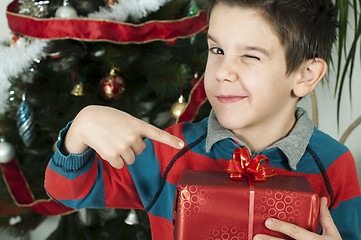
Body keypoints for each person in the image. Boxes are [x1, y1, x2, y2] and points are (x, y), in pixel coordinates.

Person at [44, 0, 361, 239]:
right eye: (217, 50)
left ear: (306, 75)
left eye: (250, 55)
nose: (223, 72)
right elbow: (66, 192)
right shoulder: (169, 148)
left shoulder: (334, 165)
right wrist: (82, 126)